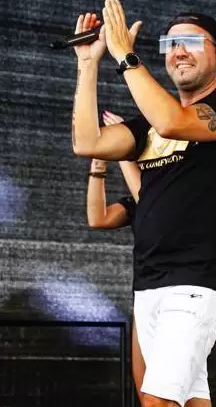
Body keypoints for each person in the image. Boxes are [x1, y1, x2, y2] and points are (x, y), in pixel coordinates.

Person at [71, 0, 216, 407]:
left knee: (159, 401)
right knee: (185, 401)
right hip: (150, 280)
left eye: (191, 42)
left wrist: (126, 56)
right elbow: (88, 143)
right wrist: (88, 63)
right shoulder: (147, 127)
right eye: (170, 44)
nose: (178, 51)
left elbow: (175, 122)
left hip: (197, 279)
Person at [84, 110, 146, 402]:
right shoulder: (136, 204)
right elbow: (98, 218)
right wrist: (98, 165)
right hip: (146, 294)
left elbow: (147, 196)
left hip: (182, 292)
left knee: (177, 387)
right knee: (147, 391)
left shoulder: (171, 195)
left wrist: (121, 149)